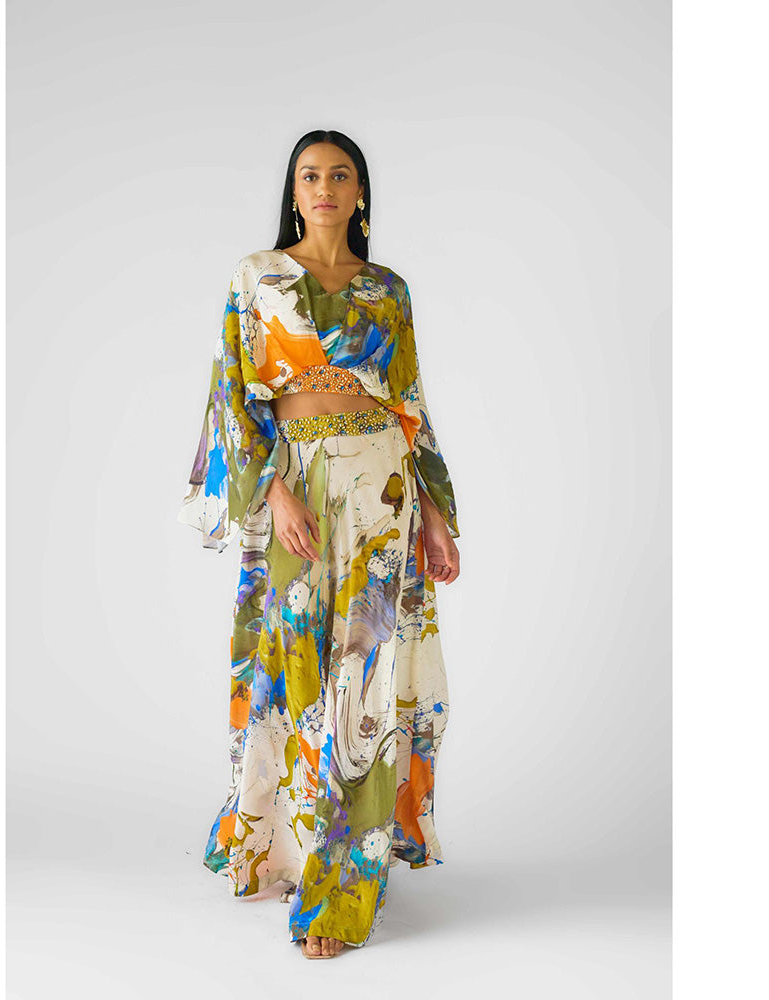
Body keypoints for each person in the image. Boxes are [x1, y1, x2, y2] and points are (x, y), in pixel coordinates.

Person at [178, 129, 461, 959]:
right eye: (310, 175)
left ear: (360, 191)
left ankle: (343, 886)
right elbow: (234, 396)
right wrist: (273, 491)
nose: (325, 187)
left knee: (365, 682)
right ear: (294, 191)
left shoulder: (387, 290)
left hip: (382, 490)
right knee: (299, 669)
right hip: (298, 483)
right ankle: (283, 844)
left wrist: (434, 513)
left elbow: (409, 403)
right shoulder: (257, 278)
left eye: (340, 175)